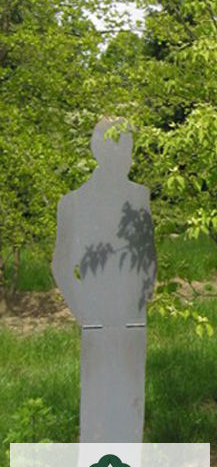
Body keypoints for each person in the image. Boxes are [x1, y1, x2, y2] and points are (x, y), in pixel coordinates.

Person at [52, 118, 156, 443]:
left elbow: (148, 254)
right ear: (100, 149)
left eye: (129, 146)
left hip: (133, 316)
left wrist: (145, 292)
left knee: (130, 401)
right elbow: (61, 265)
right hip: (95, 316)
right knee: (97, 404)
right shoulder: (74, 203)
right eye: (122, 146)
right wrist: (84, 311)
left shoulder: (140, 197)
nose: (128, 154)